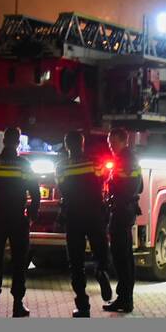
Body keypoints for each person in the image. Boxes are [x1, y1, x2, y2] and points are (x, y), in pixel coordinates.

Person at [0, 127, 41, 318]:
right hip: (17, 219)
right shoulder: (24, 165)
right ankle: (17, 306)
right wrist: (31, 214)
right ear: (18, 143)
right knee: (19, 263)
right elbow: (35, 192)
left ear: (4, 141)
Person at [55, 131, 113, 317]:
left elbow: (62, 188)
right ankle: (101, 270)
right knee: (100, 249)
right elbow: (104, 179)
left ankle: (83, 305)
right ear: (82, 144)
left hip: (73, 216)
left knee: (76, 262)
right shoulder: (93, 162)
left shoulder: (61, 166)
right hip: (95, 213)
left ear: (66, 146)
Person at [104, 127, 143, 313]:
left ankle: (125, 299)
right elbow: (140, 186)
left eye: (113, 142)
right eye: (109, 142)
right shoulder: (131, 159)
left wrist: (110, 186)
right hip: (126, 210)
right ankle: (125, 297)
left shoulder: (124, 160)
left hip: (122, 210)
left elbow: (122, 187)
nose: (110, 146)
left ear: (123, 141)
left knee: (121, 256)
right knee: (124, 255)